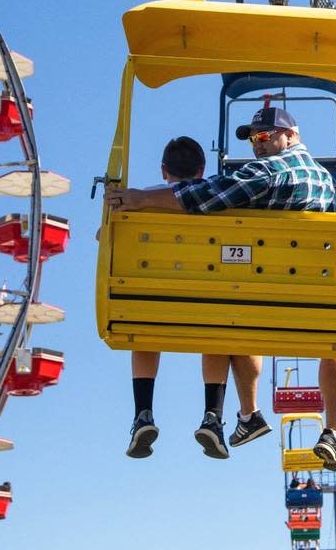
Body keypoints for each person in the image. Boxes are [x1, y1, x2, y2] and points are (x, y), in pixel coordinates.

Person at [111, 107, 336, 472]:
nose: (257, 145)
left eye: (264, 136)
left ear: (292, 136)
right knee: (335, 335)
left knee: (232, 321)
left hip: (259, 301)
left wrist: (141, 200)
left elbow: (205, 197)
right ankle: (333, 431)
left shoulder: (267, 172)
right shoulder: (330, 186)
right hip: (316, 304)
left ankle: (244, 412)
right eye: (253, 139)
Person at [115, 137, 272, 461]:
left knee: (144, 325)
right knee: (214, 327)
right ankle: (212, 416)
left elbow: (108, 238)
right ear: (203, 170)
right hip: (209, 302)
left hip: (157, 303)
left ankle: (143, 412)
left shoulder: (143, 203)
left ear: (163, 170)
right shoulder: (218, 200)